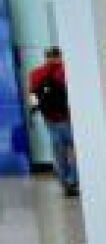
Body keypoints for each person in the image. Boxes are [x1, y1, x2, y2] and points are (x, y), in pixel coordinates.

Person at [28, 48, 76, 195]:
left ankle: (66, 182)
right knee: (76, 150)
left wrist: (34, 109)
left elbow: (32, 94)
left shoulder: (36, 73)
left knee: (59, 151)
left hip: (50, 118)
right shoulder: (66, 71)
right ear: (60, 56)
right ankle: (72, 180)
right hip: (68, 118)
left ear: (46, 57)